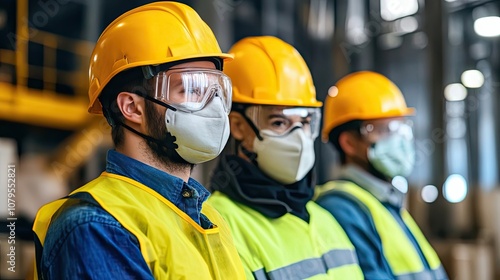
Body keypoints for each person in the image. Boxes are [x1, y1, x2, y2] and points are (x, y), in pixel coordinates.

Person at [32, 2, 245, 279]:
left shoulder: (207, 216)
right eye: (192, 89)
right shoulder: (97, 225)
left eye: (217, 89)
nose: (213, 106)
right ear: (131, 108)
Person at [207, 36, 364, 280]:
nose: (299, 138)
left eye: (305, 122)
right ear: (238, 126)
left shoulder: (323, 219)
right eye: (279, 122)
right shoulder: (220, 224)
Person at [316, 71, 448, 279]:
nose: (399, 140)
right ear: (348, 143)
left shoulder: (384, 201)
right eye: (385, 130)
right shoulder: (341, 207)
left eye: (401, 127)